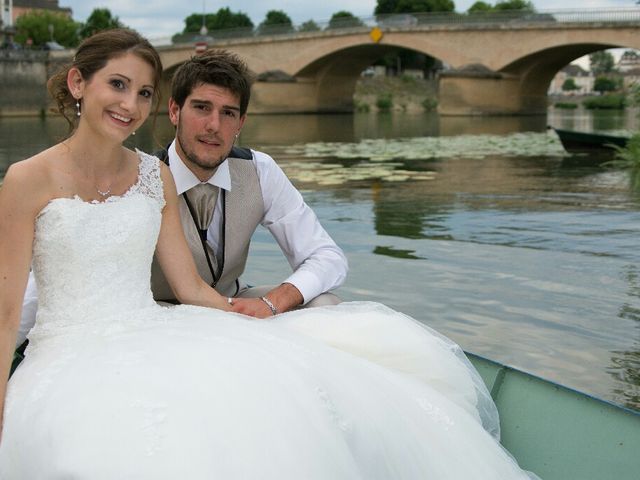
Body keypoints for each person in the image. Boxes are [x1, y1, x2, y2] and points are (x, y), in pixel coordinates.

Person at [0, 29, 538, 479]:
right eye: (118, 85)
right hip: (83, 338)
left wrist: (266, 317)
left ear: (241, 121)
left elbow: (194, 289)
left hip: (179, 320)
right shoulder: (28, 179)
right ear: (79, 83)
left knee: (310, 338)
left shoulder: (156, 175)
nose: (129, 104)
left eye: (140, 92)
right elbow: (18, 304)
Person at [13, 49, 348, 351]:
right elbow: (53, 276)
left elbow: (328, 257)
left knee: (325, 305)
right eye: (201, 108)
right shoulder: (141, 179)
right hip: (156, 315)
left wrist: (274, 302)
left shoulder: (259, 171)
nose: (213, 126)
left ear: (241, 123)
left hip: (232, 303)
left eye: (228, 113)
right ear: (174, 111)